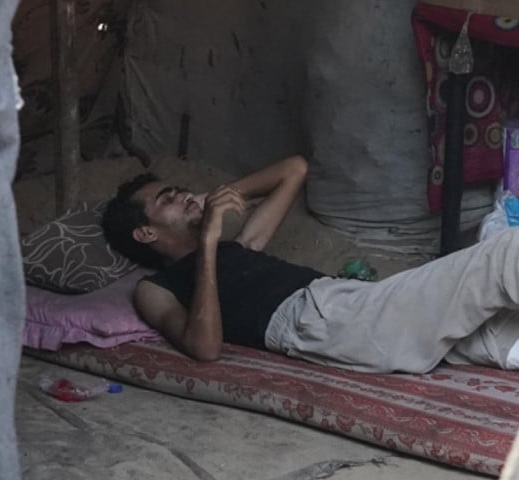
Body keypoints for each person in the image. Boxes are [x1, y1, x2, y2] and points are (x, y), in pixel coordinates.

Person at [102, 155, 519, 374]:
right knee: (503, 254)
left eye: (179, 190)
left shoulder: (241, 246)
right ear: (146, 233)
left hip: (354, 306)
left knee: (501, 335)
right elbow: (205, 348)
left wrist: (218, 199)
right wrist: (208, 240)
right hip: (324, 321)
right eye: (168, 199)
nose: (183, 196)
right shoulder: (156, 288)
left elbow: (294, 169)